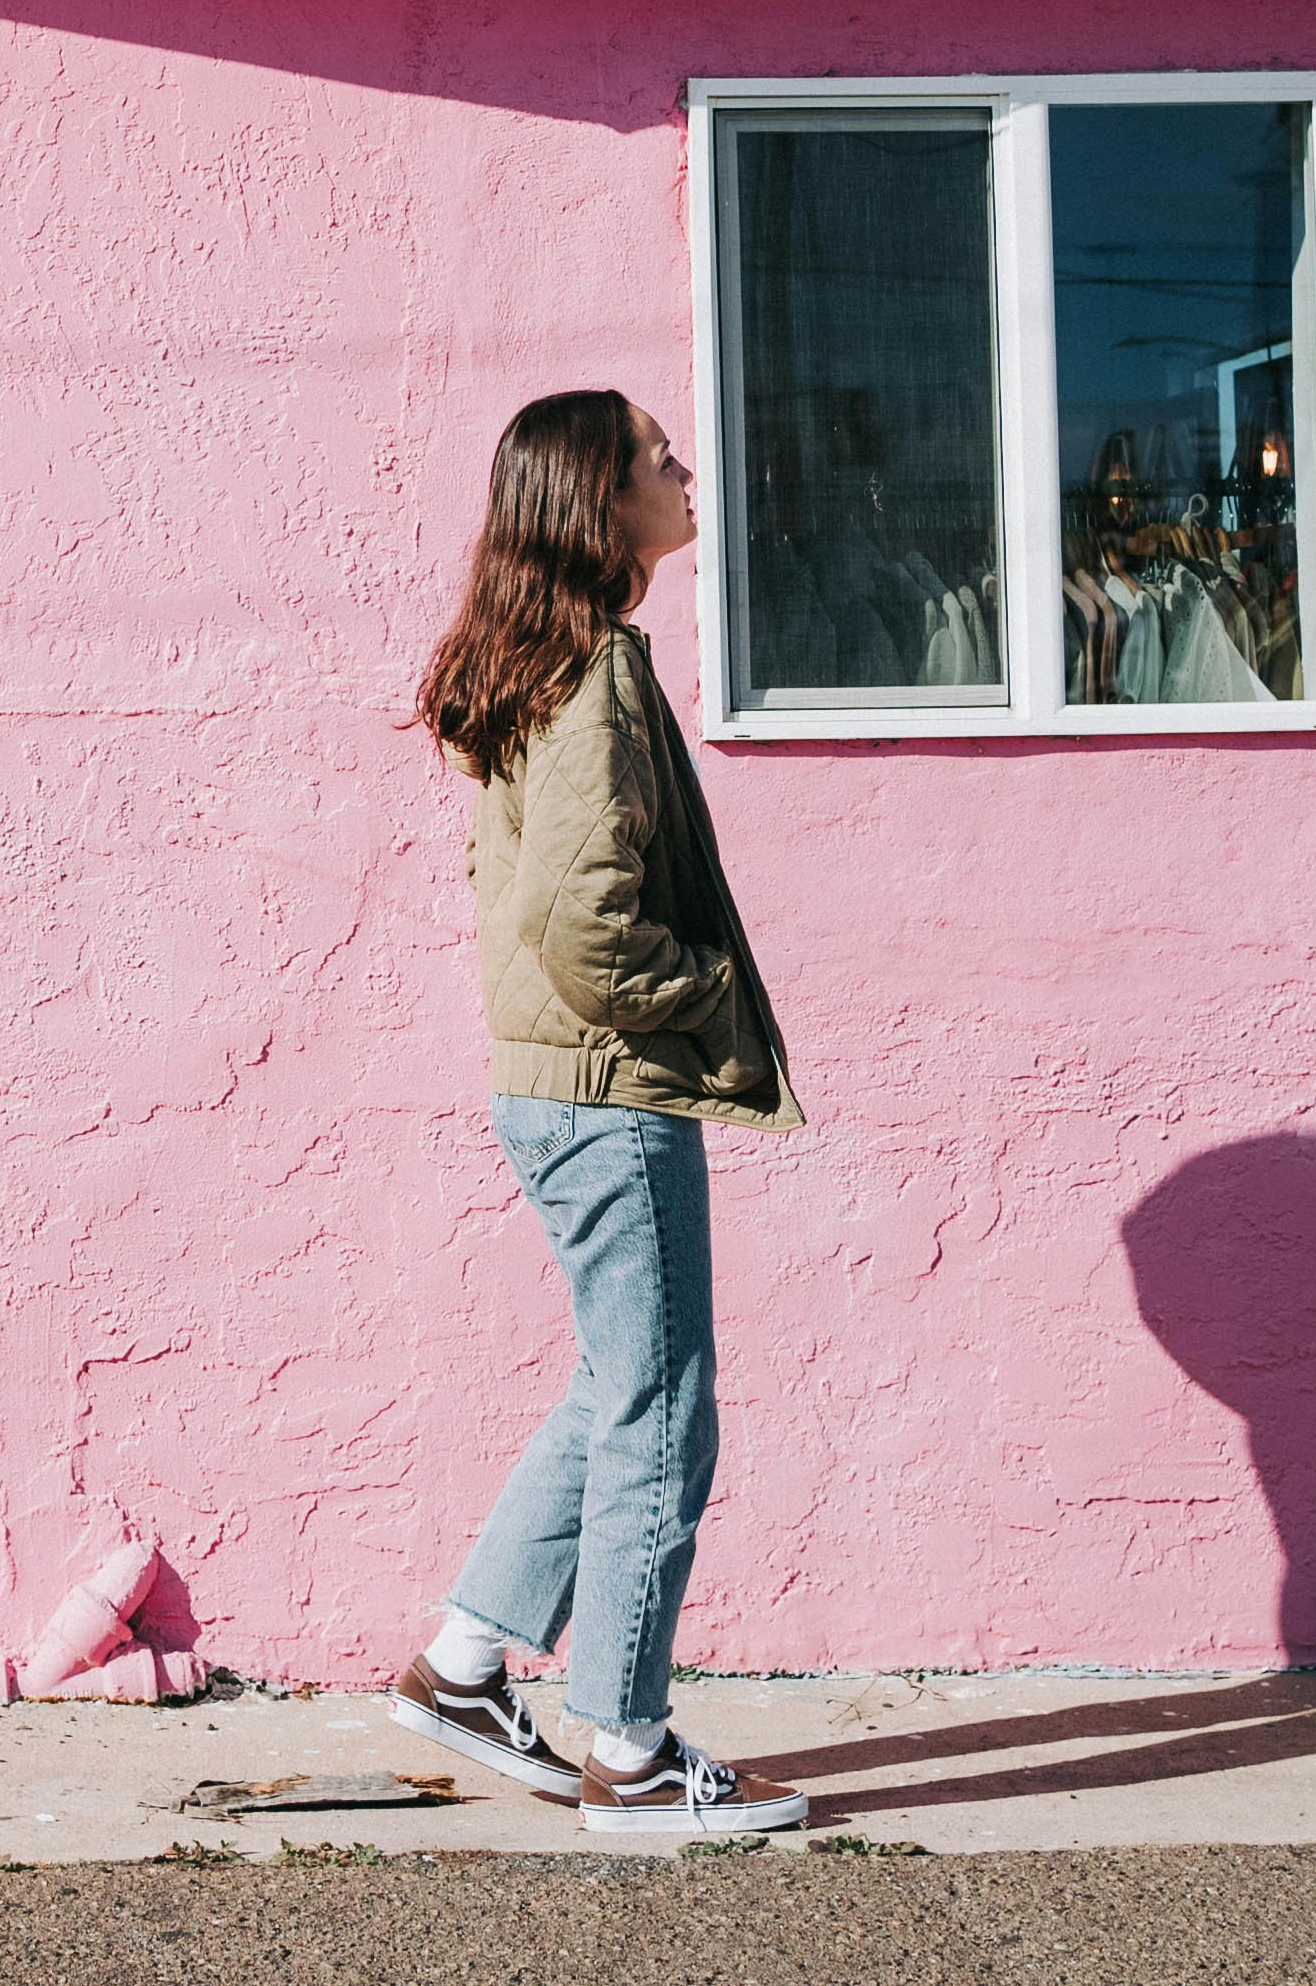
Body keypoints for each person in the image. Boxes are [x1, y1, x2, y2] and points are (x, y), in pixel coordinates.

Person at [381, 390, 811, 1836]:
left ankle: (460, 1669)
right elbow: (583, 924)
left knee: (616, 1387)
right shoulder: (598, 675)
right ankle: (623, 1749)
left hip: (553, 1086)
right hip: (606, 1092)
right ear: (599, 503)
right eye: (658, 458)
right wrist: (704, 988)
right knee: (663, 1411)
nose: (686, 467)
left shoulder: (546, 662)